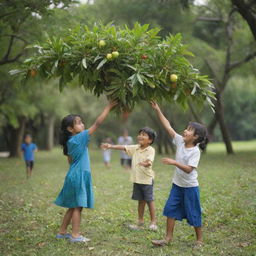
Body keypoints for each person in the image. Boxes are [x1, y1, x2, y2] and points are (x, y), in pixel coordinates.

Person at [55, 101, 116, 243]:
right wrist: (108, 107)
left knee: (72, 205)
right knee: (78, 206)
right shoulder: (79, 137)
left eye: (82, 122)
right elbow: (97, 124)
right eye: (79, 123)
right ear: (71, 128)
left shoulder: (70, 141)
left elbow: (70, 161)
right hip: (79, 176)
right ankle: (75, 235)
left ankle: (62, 232)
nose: (82, 125)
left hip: (73, 175)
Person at [150, 102, 208, 247]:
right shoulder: (180, 142)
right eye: (187, 128)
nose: (185, 131)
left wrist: (174, 162)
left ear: (195, 137)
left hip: (190, 187)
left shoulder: (195, 151)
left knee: (194, 213)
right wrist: (158, 110)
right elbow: (168, 127)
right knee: (170, 209)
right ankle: (167, 239)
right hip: (177, 185)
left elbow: (189, 169)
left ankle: (199, 240)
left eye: (189, 130)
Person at [101, 127, 158, 231]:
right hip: (137, 180)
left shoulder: (150, 150)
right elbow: (123, 147)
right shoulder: (135, 148)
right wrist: (111, 146)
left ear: (150, 140)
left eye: (144, 135)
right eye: (140, 134)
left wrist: (146, 163)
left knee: (149, 200)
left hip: (146, 180)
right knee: (140, 201)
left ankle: (153, 222)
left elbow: (150, 161)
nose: (140, 136)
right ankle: (140, 221)